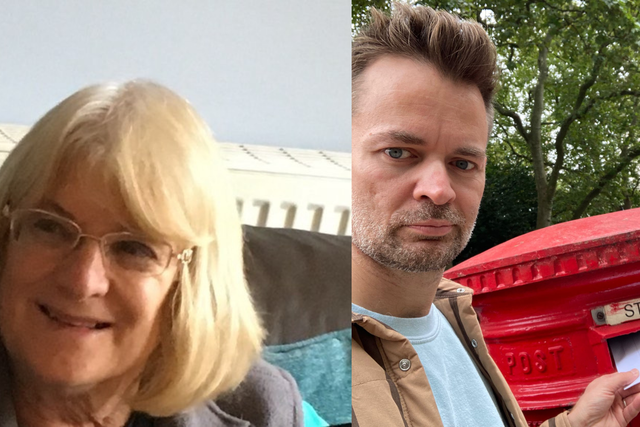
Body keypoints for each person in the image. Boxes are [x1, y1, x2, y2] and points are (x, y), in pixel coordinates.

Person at [351, 4, 640, 427]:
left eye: (463, 162)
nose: (439, 188)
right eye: (398, 153)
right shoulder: (298, 364)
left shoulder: (456, 314)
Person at [0, 81, 304, 427]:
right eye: (50, 227)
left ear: (190, 280)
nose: (82, 281)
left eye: (134, 248)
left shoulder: (260, 407)